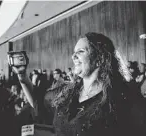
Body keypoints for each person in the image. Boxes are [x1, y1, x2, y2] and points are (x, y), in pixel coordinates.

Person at [10, 32, 142, 136]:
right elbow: (38, 100)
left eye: (81, 52)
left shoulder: (122, 99)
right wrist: (22, 76)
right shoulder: (67, 93)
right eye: (74, 52)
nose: (73, 57)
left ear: (100, 58)